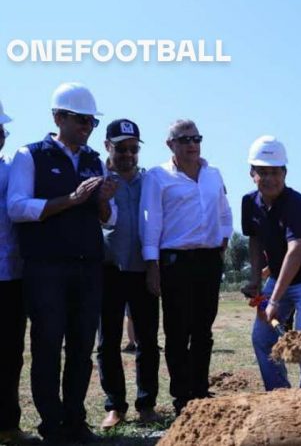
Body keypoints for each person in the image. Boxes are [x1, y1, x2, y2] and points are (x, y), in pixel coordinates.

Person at [8, 82, 117, 442]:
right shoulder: (31, 155)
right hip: (46, 268)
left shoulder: (92, 160)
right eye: (81, 120)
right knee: (48, 346)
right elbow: (17, 207)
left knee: (82, 347)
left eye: (91, 122)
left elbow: (109, 219)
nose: (87, 127)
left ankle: (75, 420)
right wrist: (70, 199)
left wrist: (102, 201)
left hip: (87, 266)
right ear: (58, 117)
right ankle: (51, 424)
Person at [140, 119, 232, 414]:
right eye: (185, 139)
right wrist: (152, 264)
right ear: (171, 144)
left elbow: (224, 212)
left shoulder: (213, 174)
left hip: (207, 260)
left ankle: (200, 391)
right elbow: (150, 221)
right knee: (177, 332)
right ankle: (182, 397)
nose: (192, 144)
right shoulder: (157, 176)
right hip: (174, 261)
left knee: (203, 330)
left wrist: (224, 240)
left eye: (196, 138)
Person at [240, 136, 301, 389]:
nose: (269, 178)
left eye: (275, 172)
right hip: (279, 277)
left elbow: (296, 249)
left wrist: (275, 301)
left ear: (285, 172)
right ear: (251, 173)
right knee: (262, 337)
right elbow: (255, 240)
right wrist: (256, 280)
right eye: (262, 172)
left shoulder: (295, 202)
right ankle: (279, 393)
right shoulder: (249, 203)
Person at [97, 119, 160, 429]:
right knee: (108, 343)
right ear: (107, 146)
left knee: (147, 341)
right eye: (121, 148)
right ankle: (115, 407)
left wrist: (155, 266)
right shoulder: (97, 179)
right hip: (107, 271)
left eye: (133, 148)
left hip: (143, 270)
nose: (128, 154)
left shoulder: (149, 181)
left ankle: (146, 404)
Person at [0, 101, 38, 445]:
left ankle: (7, 425)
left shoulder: (11, 170)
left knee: (10, 354)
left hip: (10, 278)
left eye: (1, 130)